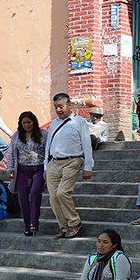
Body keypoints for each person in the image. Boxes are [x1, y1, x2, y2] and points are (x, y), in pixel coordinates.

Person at [45, 92, 94, 239]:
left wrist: (88, 167)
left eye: (61, 106)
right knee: (53, 198)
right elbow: (48, 145)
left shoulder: (79, 122)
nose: (58, 110)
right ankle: (64, 227)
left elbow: (87, 144)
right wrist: (45, 167)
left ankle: (74, 222)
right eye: (56, 107)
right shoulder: (54, 123)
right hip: (53, 162)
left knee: (62, 192)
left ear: (69, 105)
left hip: (72, 161)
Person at [7, 111, 48, 236]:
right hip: (22, 171)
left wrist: (48, 168)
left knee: (35, 192)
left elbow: (49, 150)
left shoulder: (43, 134)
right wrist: (10, 168)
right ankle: (27, 225)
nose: (26, 125)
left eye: (29, 122)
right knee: (22, 197)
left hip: (39, 168)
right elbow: (11, 153)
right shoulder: (17, 135)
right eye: (24, 123)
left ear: (34, 122)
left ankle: (34, 222)